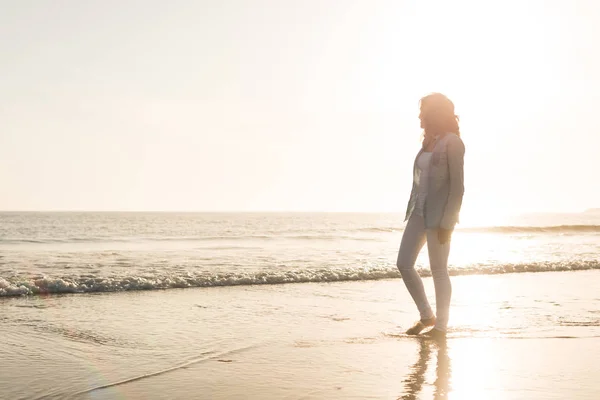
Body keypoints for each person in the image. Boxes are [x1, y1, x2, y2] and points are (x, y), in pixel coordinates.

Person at [397, 93, 465, 339]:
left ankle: (441, 328)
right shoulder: (427, 142)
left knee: (438, 269)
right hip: (418, 211)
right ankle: (427, 315)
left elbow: (458, 187)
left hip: (439, 216)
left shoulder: (453, 143)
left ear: (434, 113)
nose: (419, 116)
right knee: (403, 264)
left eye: (422, 111)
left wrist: (448, 222)